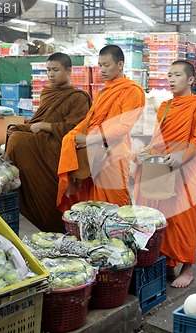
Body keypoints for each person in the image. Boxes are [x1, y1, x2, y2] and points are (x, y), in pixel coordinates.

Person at [133, 60, 196, 288]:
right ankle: (168, 263)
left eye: (177, 75)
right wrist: (143, 153)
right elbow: (159, 140)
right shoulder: (165, 106)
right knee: (161, 216)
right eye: (169, 75)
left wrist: (183, 155)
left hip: (185, 171)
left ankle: (187, 268)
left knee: (183, 219)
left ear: (190, 80)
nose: (171, 79)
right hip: (163, 168)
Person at [5, 52, 92, 232]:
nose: (50, 74)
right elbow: (37, 121)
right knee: (15, 136)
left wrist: (47, 126)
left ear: (69, 70)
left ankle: (60, 224)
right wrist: (21, 128)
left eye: (55, 70)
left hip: (60, 148)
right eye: (48, 70)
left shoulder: (78, 97)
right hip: (42, 144)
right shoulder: (47, 93)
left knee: (19, 141)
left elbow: (75, 129)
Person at [57, 45, 145, 214]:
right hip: (94, 153)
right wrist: (72, 135)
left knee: (115, 206)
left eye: (107, 65)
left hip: (115, 154)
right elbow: (91, 118)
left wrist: (88, 139)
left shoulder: (132, 91)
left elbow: (123, 127)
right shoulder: (104, 91)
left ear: (120, 65)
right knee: (94, 204)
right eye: (100, 65)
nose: (102, 70)